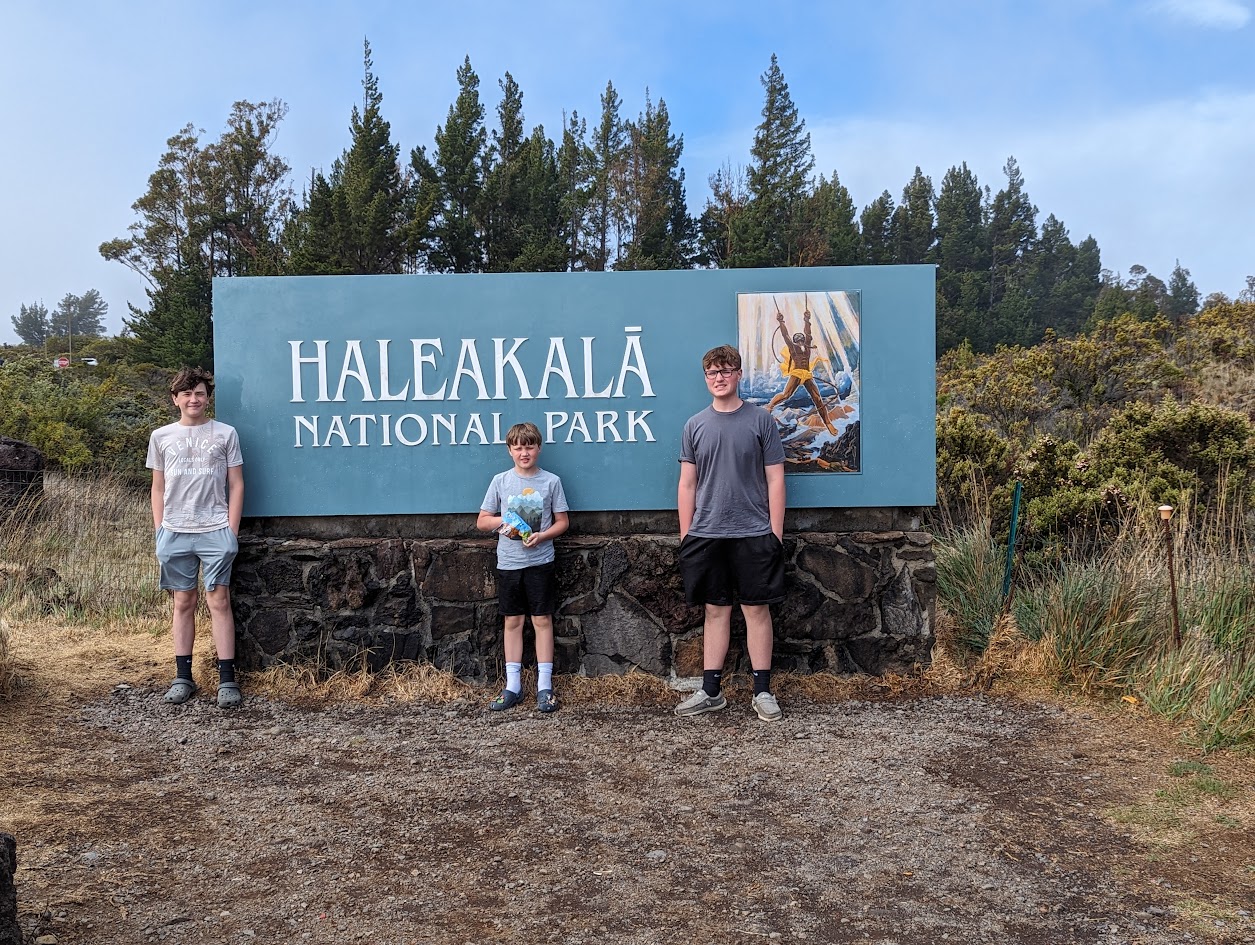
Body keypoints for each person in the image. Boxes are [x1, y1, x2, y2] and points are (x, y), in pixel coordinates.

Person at [676, 344, 786, 722]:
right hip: (706, 534)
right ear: (706, 378)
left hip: (754, 532)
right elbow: (687, 484)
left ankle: (763, 691)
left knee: (756, 609)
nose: (719, 378)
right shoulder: (694, 425)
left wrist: (775, 533)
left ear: (738, 374)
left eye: (725, 371)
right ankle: (711, 691)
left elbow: (775, 479)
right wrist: (686, 535)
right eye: (712, 372)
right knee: (715, 610)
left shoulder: (761, 421)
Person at [146, 367, 245, 709]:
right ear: (175, 399)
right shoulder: (161, 437)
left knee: (219, 601)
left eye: (200, 393)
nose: (194, 399)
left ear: (207, 397)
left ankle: (227, 680)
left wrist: (230, 532)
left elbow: (236, 484)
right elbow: (157, 488)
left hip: (215, 530)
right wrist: (161, 530)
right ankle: (183, 677)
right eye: (186, 394)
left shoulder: (225, 434)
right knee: (182, 603)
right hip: (175, 532)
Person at [477, 422, 570, 713]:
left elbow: (563, 522)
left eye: (529, 446)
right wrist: (503, 523)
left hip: (540, 562)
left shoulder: (551, 481)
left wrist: (542, 536)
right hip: (509, 564)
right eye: (517, 447)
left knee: (542, 621)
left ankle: (545, 687)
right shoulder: (500, 481)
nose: (524, 452)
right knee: (512, 622)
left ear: (538, 448)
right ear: (509, 450)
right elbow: (482, 521)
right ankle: (513, 687)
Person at [766, 307, 839, 435]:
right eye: (798, 341)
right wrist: (781, 322)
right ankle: (770, 406)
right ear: (795, 342)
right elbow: (785, 335)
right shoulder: (793, 348)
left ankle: (827, 423)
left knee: (817, 398)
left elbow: (808, 333)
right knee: (786, 395)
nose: (800, 342)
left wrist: (807, 319)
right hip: (797, 373)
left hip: (807, 374)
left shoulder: (807, 345)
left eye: (801, 340)